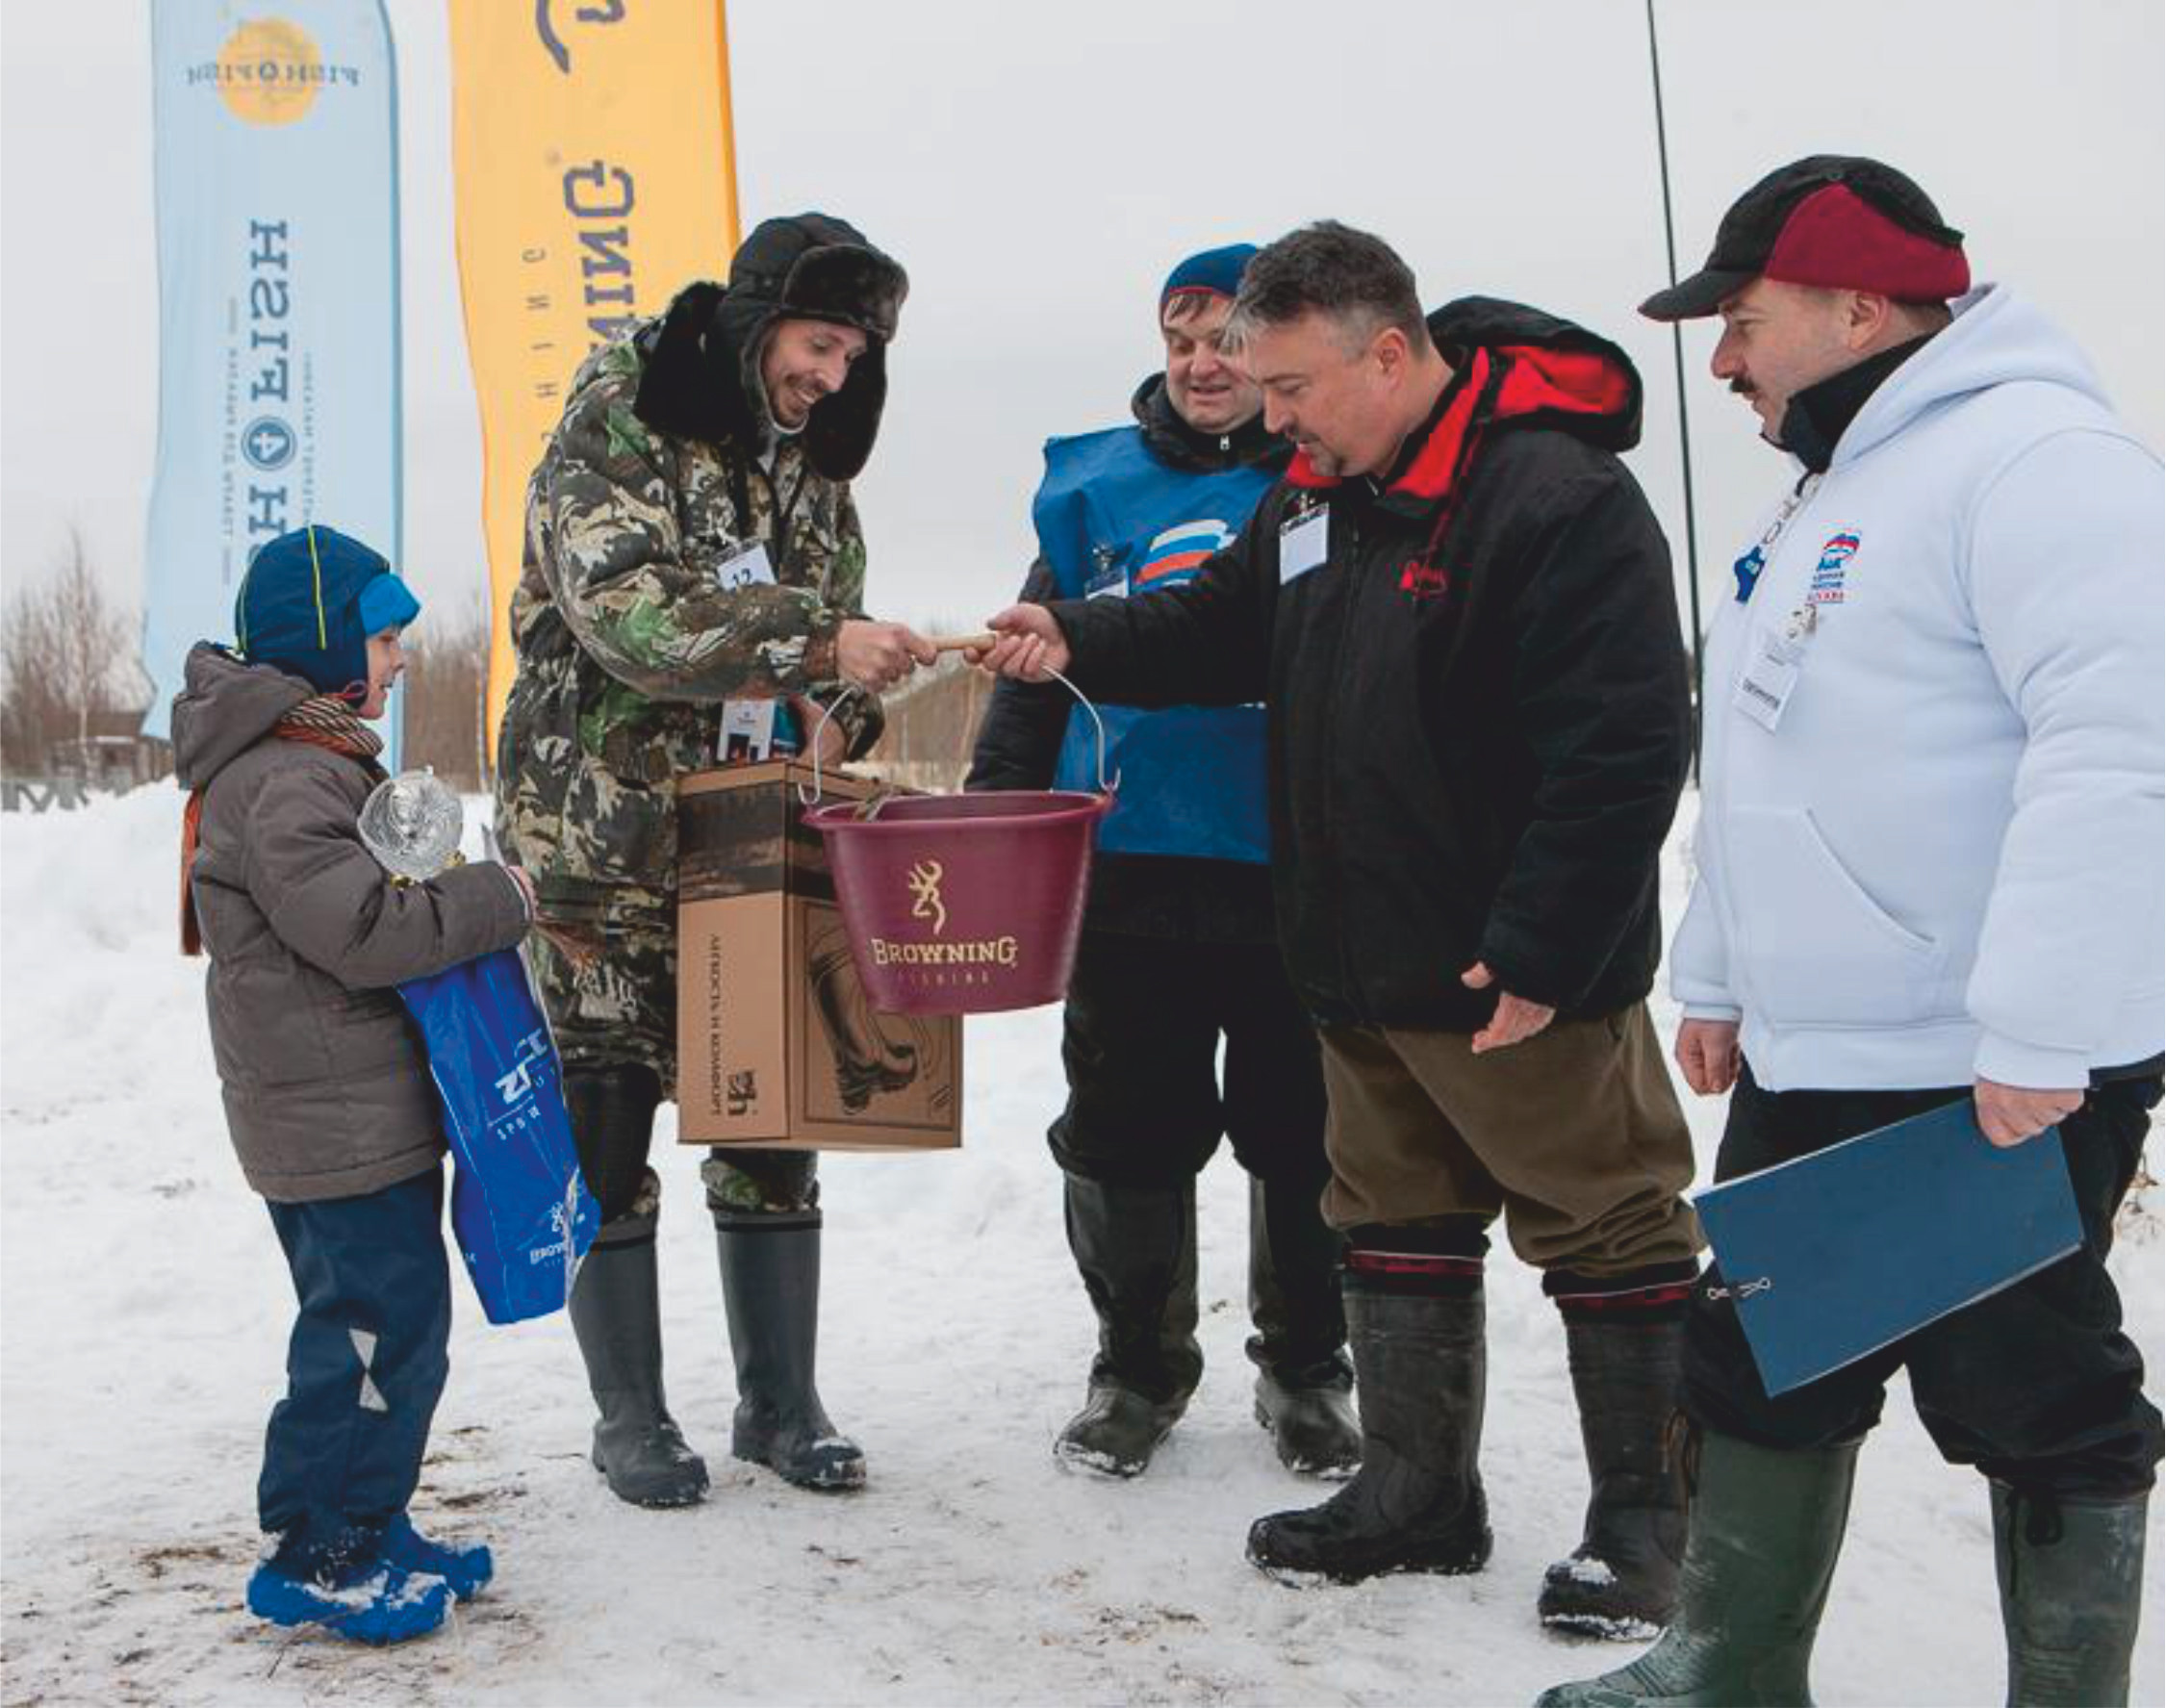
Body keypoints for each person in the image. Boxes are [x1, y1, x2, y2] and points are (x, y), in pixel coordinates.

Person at [977, 222, 1703, 1634]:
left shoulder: (1551, 494)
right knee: (1393, 1219)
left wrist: (1545, 941)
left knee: (1606, 1225)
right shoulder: (1315, 497)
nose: (1275, 416)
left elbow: (1624, 740)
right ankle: (1416, 1492)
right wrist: (1078, 637)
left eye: (1296, 385)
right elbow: (1211, 625)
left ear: (1387, 350)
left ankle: (1646, 1527)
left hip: (1511, 970)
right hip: (1356, 956)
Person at [1542, 156, 2165, 1708]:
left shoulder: (2042, 464)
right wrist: (1725, 969)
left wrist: (2046, 1030)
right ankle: (1728, 1668)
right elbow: (1773, 748)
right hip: (1830, 1041)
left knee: (2028, 1384)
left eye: (1743, 320)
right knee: (1757, 1355)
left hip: (1983, 1058)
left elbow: (2122, 753)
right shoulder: (1840, 483)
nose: (1724, 358)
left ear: (1857, 305)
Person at [496, 214, 933, 1510]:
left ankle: (777, 1402)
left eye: (854, 356)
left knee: (774, 1103)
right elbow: (625, 616)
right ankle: (628, 1413)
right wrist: (814, 646)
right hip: (601, 836)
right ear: (756, 326)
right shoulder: (622, 408)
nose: (832, 377)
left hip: (750, 838)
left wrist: (843, 705)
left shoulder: (812, 467)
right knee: (608, 1107)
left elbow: (833, 639)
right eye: (817, 344)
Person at [965, 244, 1359, 1482]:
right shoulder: (1093, 491)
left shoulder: (1332, 476)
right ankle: (1137, 1366)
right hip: (1127, 864)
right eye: (1180, 336)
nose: (1201, 362)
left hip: (1298, 863)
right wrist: (993, 815)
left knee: (1304, 1135)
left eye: (1227, 338)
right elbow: (1034, 669)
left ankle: (1305, 1370)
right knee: (1126, 1130)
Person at [173, 524, 535, 1644]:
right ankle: (318, 1547)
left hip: (353, 1108)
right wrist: (499, 896)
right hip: (330, 1121)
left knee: (395, 1320)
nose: (400, 659)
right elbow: (366, 932)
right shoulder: (284, 780)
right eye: (382, 637)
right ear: (325, 641)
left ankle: (369, 1518)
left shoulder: (312, 762)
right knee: (371, 1330)